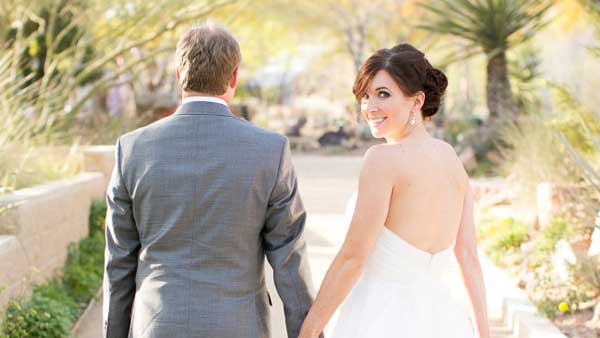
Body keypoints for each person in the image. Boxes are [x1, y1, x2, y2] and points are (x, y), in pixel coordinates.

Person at [103, 22, 317, 338]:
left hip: (157, 325)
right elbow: (289, 257)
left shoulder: (132, 149)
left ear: (179, 74)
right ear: (233, 77)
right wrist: (306, 332)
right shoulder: (270, 150)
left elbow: (119, 264)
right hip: (239, 327)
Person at [298, 44, 490, 338]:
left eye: (383, 94)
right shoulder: (451, 158)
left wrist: (309, 331)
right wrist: (484, 334)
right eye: (365, 95)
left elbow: (353, 257)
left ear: (417, 101)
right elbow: (469, 257)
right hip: (444, 322)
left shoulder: (382, 160)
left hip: (380, 320)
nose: (369, 106)